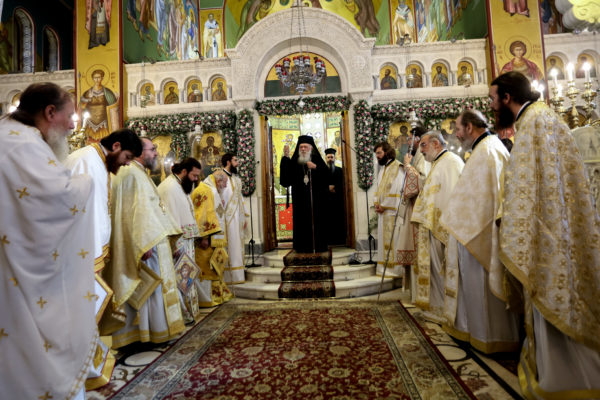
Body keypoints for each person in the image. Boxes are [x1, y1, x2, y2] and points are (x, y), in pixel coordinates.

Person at [489, 71, 600, 398]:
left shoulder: (534, 124)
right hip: (558, 226)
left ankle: (564, 376)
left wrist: (508, 220)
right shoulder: (542, 118)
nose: (491, 105)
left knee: (550, 294)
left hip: (547, 233)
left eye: (493, 98)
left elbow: (523, 188)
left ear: (507, 97)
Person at [0, 82, 97, 400]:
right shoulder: (24, 145)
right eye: (69, 117)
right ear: (50, 112)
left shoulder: (7, 134)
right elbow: (58, 200)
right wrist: (86, 182)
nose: (72, 126)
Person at [65, 127, 142, 389]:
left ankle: (90, 364)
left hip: (91, 252)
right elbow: (75, 210)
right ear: (116, 146)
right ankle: (80, 370)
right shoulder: (86, 161)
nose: (127, 163)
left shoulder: (98, 161)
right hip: (80, 253)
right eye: (127, 157)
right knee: (81, 311)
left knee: (90, 310)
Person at [440, 109, 520, 353]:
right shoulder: (484, 149)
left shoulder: (488, 151)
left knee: (485, 294)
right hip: (473, 231)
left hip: (482, 233)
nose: (456, 134)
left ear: (470, 127)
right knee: (477, 293)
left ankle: (492, 339)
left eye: (458, 128)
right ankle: (479, 335)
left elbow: (492, 197)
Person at [107, 137, 184, 349]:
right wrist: (143, 243)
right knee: (148, 290)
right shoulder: (131, 173)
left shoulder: (139, 173)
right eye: (152, 149)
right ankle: (145, 334)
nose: (156, 153)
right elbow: (134, 211)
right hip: (145, 244)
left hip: (152, 240)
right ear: (140, 152)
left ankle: (152, 332)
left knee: (153, 290)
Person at [411, 131, 464, 321]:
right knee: (434, 270)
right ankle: (436, 308)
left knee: (442, 270)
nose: (421, 150)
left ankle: (444, 310)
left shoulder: (451, 163)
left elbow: (453, 196)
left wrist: (443, 225)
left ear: (436, 144)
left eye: (423, 145)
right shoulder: (438, 163)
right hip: (431, 226)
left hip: (442, 228)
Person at [158, 157, 210, 322]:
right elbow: (171, 219)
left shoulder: (180, 185)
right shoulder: (169, 188)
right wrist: (176, 245)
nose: (196, 179)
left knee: (186, 276)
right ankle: (182, 314)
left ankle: (189, 312)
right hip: (178, 243)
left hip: (186, 241)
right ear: (184, 171)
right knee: (180, 277)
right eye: (194, 175)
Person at [373, 142, 420, 278]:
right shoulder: (382, 169)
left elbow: (398, 189)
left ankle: (394, 271)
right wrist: (376, 203)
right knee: (384, 242)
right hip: (383, 213)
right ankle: (383, 268)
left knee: (394, 241)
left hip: (392, 212)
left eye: (379, 153)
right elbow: (378, 188)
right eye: (376, 153)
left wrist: (384, 205)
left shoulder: (398, 167)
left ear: (387, 152)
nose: (377, 156)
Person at [279, 135, 329, 253]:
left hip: (316, 200)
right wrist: (285, 158)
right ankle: (302, 247)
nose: (302, 149)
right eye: (301, 147)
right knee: (301, 223)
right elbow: (286, 180)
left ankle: (319, 245)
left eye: (305, 147)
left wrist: (315, 167)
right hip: (300, 201)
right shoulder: (294, 161)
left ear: (311, 148)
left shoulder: (317, 160)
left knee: (317, 222)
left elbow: (327, 176)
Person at [191, 170, 234, 306]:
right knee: (207, 265)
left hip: (212, 237)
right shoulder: (205, 190)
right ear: (218, 181)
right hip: (206, 239)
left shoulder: (211, 189)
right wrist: (204, 237)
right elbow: (202, 215)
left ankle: (217, 294)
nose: (225, 186)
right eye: (225, 183)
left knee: (214, 264)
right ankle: (207, 298)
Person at [220, 153, 249, 284]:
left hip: (237, 217)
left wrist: (244, 216)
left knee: (237, 244)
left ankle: (238, 275)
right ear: (228, 162)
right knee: (230, 244)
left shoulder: (237, 179)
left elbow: (240, 198)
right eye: (235, 160)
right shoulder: (219, 176)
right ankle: (228, 276)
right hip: (227, 218)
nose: (237, 163)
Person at [80, 68, 118, 140]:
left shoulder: (108, 92)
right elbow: (81, 106)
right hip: (89, 122)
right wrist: (87, 99)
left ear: (102, 78)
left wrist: (116, 100)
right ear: (92, 78)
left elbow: (113, 107)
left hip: (103, 122)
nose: (97, 80)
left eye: (99, 77)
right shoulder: (87, 92)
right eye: (95, 78)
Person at [325, 148, 346, 246]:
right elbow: (319, 184)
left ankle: (339, 240)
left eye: (331, 157)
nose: (330, 159)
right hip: (326, 201)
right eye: (328, 157)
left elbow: (343, 184)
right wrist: (328, 188)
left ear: (335, 158)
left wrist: (335, 188)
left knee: (338, 221)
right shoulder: (322, 171)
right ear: (326, 158)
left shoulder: (340, 170)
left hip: (338, 200)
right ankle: (328, 240)